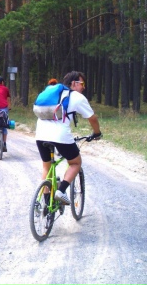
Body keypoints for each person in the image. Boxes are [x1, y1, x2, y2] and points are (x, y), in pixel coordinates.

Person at [34, 71, 102, 205]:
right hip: (60, 136)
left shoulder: (53, 93)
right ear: (74, 83)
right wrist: (97, 133)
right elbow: (92, 118)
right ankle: (61, 191)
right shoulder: (76, 97)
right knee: (75, 163)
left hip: (40, 135)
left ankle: (47, 204)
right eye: (82, 83)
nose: (84, 87)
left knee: (47, 167)